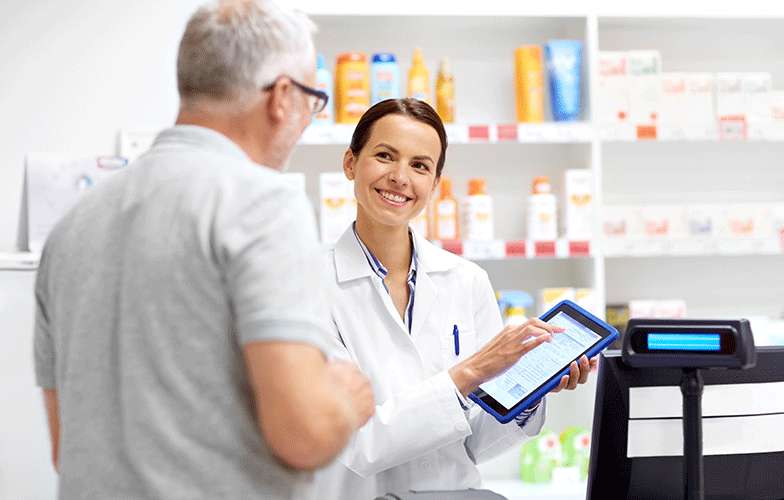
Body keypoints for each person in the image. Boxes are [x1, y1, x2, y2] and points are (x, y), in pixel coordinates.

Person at [32, 1, 375, 499]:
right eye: (312, 100)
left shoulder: (73, 227)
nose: (307, 120)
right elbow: (305, 435)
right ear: (281, 97)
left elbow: (68, 449)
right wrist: (346, 400)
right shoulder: (261, 202)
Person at [314, 98, 598, 498]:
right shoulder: (309, 287)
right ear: (350, 164)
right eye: (384, 156)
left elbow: (475, 442)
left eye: (420, 165)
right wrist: (471, 372)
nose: (400, 176)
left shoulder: (466, 281)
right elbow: (356, 444)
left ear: (433, 185)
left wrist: (528, 393)